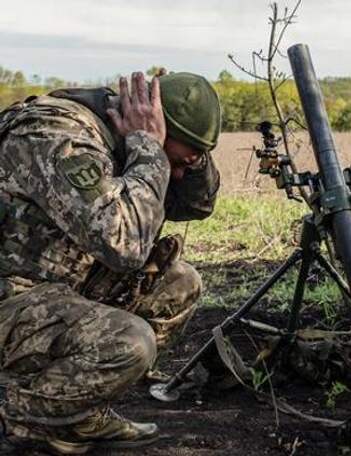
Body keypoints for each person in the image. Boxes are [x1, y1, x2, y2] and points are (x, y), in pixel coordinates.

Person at [0, 70, 221, 454]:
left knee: (178, 284)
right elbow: (125, 245)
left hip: (51, 284)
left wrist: (189, 160)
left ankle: (76, 413)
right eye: (178, 162)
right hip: (10, 295)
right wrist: (149, 147)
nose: (178, 174)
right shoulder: (56, 136)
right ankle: (18, 417)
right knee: (129, 342)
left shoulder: (126, 139)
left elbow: (196, 205)